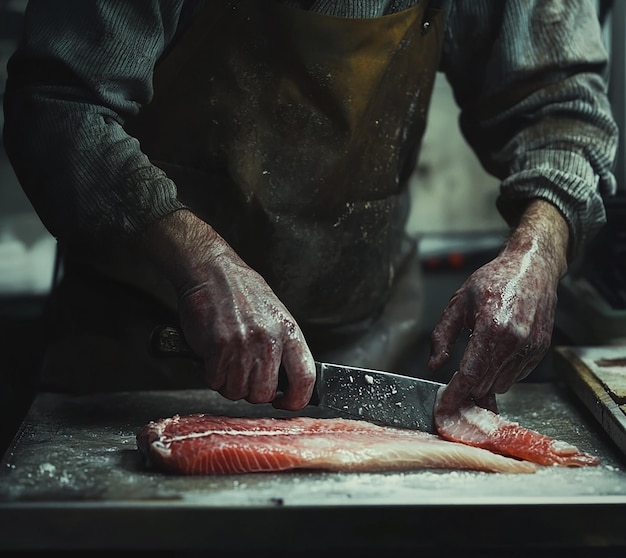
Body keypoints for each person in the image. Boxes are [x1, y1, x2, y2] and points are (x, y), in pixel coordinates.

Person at [2, 0, 618, 417]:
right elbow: (60, 107)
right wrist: (202, 266)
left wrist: (540, 249)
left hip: (364, 350)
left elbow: (558, 110)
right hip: (146, 352)